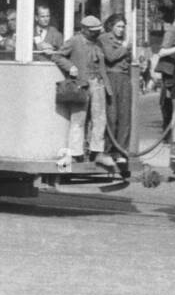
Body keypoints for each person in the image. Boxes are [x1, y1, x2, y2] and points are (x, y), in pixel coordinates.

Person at [52, 15, 113, 165]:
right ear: (84, 29)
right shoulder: (74, 41)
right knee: (78, 120)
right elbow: (57, 56)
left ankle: (97, 152)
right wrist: (70, 66)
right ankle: (75, 153)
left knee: (99, 119)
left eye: (98, 30)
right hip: (81, 85)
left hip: (98, 83)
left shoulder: (98, 42)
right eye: (93, 31)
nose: (96, 33)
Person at [99, 15, 133, 175]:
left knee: (124, 116)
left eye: (123, 26)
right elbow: (110, 57)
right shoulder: (105, 38)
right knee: (111, 116)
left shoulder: (124, 40)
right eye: (119, 26)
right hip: (112, 77)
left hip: (124, 78)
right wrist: (125, 47)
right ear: (112, 26)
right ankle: (109, 150)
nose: (121, 29)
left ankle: (121, 152)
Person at [155, 7, 175, 142]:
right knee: (169, 102)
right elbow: (162, 52)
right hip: (170, 71)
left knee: (173, 102)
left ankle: (172, 134)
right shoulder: (172, 32)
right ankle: (168, 135)